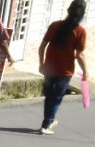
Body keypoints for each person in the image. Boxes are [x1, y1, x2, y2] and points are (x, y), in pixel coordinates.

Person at [37, 0, 88, 135]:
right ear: (82, 14)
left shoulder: (55, 26)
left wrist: (41, 63)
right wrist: (85, 71)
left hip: (49, 68)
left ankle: (48, 121)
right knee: (56, 98)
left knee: (49, 96)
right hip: (65, 71)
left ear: (68, 10)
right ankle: (47, 124)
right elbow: (79, 55)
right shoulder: (80, 31)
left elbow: (42, 46)